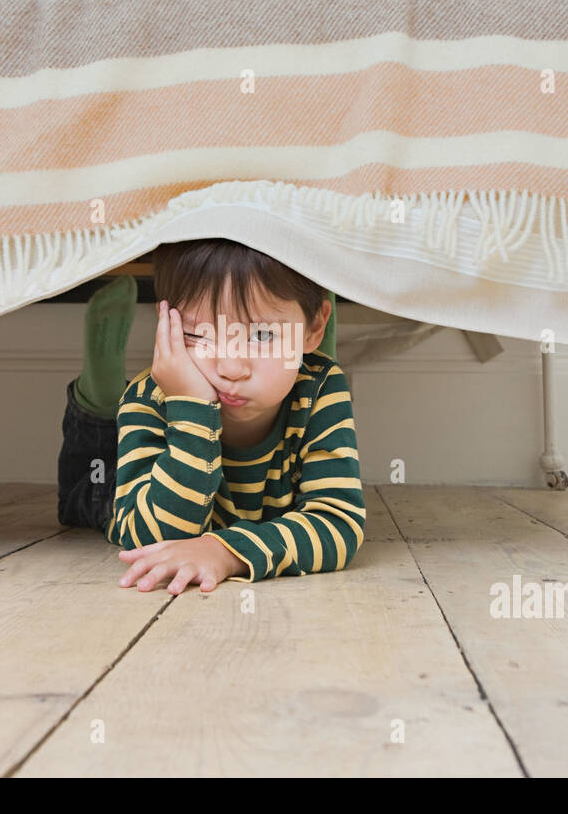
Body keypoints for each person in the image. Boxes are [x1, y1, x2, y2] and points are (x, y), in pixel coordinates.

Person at [56, 238, 362, 595]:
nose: (230, 368)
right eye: (198, 334)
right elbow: (156, 541)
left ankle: (301, 347)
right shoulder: (148, 399)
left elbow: (338, 524)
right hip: (137, 490)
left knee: (307, 373)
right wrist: (192, 408)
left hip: (302, 366)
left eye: (262, 334)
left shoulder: (322, 388)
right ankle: (99, 394)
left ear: (314, 327)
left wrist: (225, 552)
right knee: (89, 494)